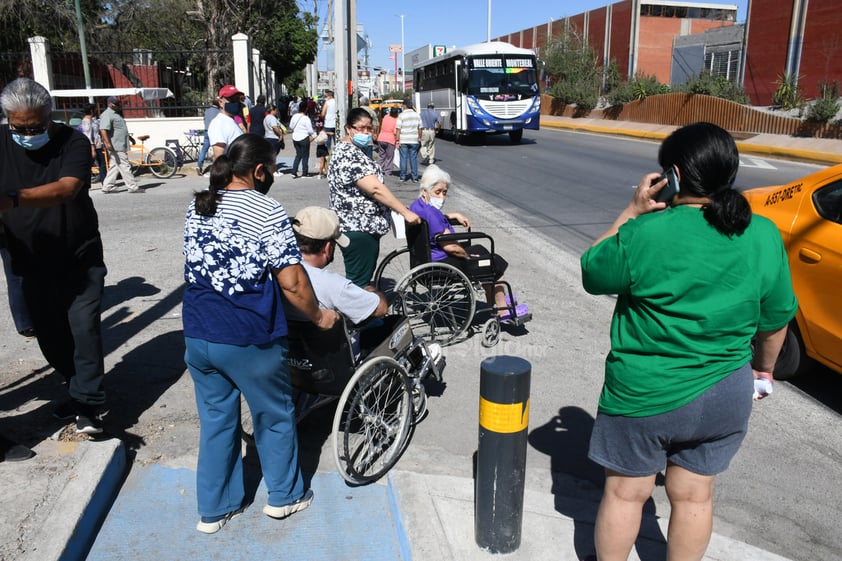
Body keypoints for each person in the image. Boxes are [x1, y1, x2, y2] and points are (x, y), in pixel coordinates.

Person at [579, 122, 798, 561]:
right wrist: (763, 370)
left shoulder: (644, 233)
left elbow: (592, 270)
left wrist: (633, 210)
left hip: (645, 392)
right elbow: (775, 324)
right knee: (695, 497)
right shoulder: (763, 234)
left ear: (674, 175)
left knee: (626, 495)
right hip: (726, 393)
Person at [182, 133, 338, 534]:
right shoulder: (266, 210)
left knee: (217, 421)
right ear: (258, 170)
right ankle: (285, 497)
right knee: (274, 415)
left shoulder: (198, 205)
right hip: (248, 335)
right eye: (271, 169)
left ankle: (214, 510)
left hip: (199, 334)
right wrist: (319, 316)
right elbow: (293, 283)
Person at [0, 77, 109, 434]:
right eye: (21, 127)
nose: (29, 132)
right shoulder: (1, 144)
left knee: (84, 328)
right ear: (7, 119)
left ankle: (90, 405)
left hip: (78, 254)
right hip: (29, 258)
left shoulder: (72, 140)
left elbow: (68, 187)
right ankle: (78, 389)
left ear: (50, 115)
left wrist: (14, 199)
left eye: (37, 125)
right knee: (50, 336)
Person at [409, 164, 528, 320]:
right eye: (437, 192)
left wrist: (452, 216)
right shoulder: (432, 213)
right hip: (443, 264)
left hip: (426, 260)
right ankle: (502, 309)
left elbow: (433, 221)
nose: (442, 197)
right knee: (492, 262)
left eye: (444, 192)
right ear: (425, 191)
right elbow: (451, 247)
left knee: (481, 249)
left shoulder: (417, 206)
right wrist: (468, 257)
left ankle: (495, 298)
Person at [328, 107, 421, 288]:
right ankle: (357, 315)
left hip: (360, 226)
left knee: (358, 280)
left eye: (369, 128)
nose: (366, 133)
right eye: (361, 128)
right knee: (358, 284)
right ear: (349, 128)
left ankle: (358, 312)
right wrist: (404, 212)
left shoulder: (351, 149)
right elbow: (375, 189)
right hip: (358, 228)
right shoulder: (349, 154)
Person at [289, 206, 388, 325]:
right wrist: (371, 290)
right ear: (328, 248)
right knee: (377, 323)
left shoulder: (279, 273)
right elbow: (380, 309)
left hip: (292, 338)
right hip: (328, 341)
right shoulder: (334, 284)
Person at [100, 95, 143, 194]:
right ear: (110, 104)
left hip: (120, 144)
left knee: (114, 166)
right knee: (125, 165)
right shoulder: (107, 114)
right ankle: (132, 187)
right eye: (115, 103)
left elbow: (120, 129)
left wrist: (130, 138)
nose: (117, 105)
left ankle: (107, 186)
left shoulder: (116, 114)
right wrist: (108, 143)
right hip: (116, 145)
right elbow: (103, 130)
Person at [208, 84, 245, 161]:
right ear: (221, 102)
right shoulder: (218, 124)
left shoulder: (231, 120)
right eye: (232, 100)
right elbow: (219, 159)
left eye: (237, 99)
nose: (236, 102)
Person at [78, 103, 106, 184]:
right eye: (95, 109)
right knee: (90, 165)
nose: (96, 111)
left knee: (102, 164)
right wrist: (92, 149)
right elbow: (88, 136)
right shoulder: (86, 122)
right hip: (92, 147)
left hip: (98, 145)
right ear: (91, 111)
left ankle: (104, 182)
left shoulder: (93, 121)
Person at [395, 98, 421, 182]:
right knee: (413, 158)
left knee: (403, 158)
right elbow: (420, 128)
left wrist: (397, 140)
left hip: (404, 140)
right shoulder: (417, 115)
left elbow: (398, 129)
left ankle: (403, 176)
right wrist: (419, 137)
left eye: (403, 105)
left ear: (405, 105)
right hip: (414, 140)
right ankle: (415, 177)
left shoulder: (401, 115)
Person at [289, 100, 316, 178]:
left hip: (295, 138)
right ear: (306, 109)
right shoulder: (306, 118)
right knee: (305, 156)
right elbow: (310, 130)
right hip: (304, 138)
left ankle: (294, 171)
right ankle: (304, 172)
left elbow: (291, 126)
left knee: (298, 155)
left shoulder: (294, 116)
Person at [197, 99, 220, 176]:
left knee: (204, 149)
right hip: (215, 132)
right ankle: (217, 166)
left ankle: (199, 165)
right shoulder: (219, 112)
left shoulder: (207, 111)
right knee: (217, 149)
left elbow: (204, 120)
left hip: (206, 131)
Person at [377, 107, 399, 176]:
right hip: (390, 140)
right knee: (389, 157)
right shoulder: (396, 120)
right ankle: (388, 171)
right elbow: (395, 132)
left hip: (381, 138)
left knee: (381, 156)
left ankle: (378, 170)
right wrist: (397, 140)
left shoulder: (385, 117)